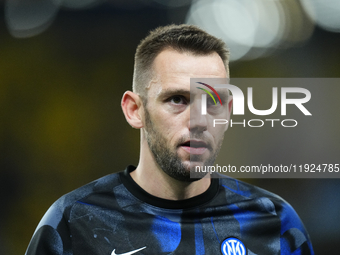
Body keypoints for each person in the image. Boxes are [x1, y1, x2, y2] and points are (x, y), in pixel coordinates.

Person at [25, 24, 314, 255]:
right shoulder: (74, 222)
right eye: (177, 99)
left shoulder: (274, 221)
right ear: (135, 110)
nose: (199, 121)